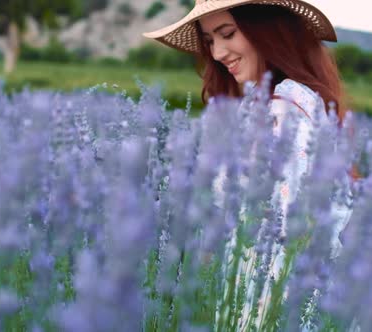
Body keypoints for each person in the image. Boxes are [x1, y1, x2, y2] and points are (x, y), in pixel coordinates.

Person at [143, 1, 354, 329]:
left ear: (267, 31)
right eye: (210, 40)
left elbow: (295, 235)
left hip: (274, 307)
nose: (217, 53)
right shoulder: (266, 108)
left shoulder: (285, 110)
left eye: (227, 34)